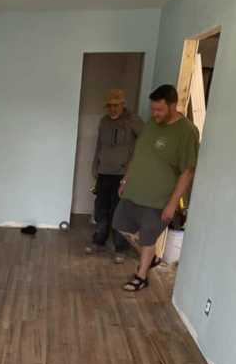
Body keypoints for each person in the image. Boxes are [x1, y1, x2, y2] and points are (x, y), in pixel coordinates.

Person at [113, 84, 199, 292]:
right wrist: (125, 180)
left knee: (148, 238)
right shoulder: (152, 123)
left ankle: (141, 276)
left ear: (172, 105)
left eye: (159, 110)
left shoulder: (187, 131)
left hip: (158, 199)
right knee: (120, 224)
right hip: (135, 190)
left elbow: (188, 171)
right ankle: (150, 256)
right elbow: (138, 154)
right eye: (153, 109)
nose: (155, 114)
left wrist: (172, 204)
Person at [85, 89, 144, 263]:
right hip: (104, 173)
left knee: (120, 213)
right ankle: (99, 241)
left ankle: (121, 248)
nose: (112, 109)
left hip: (122, 175)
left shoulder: (131, 120)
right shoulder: (103, 122)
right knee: (101, 209)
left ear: (123, 104)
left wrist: (132, 171)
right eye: (109, 106)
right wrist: (95, 164)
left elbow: (145, 140)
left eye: (116, 105)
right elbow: (99, 145)